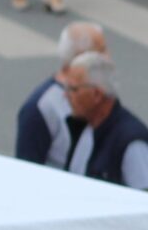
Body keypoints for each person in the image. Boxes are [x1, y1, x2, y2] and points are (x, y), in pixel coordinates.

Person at [58, 51, 148, 191]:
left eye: (73, 89)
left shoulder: (132, 142)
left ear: (96, 95)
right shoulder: (84, 127)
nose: (65, 95)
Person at [14, 21, 106, 168]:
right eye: (102, 50)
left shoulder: (98, 93)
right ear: (82, 57)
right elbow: (26, 169)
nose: (108, 57)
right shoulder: (40, 108)